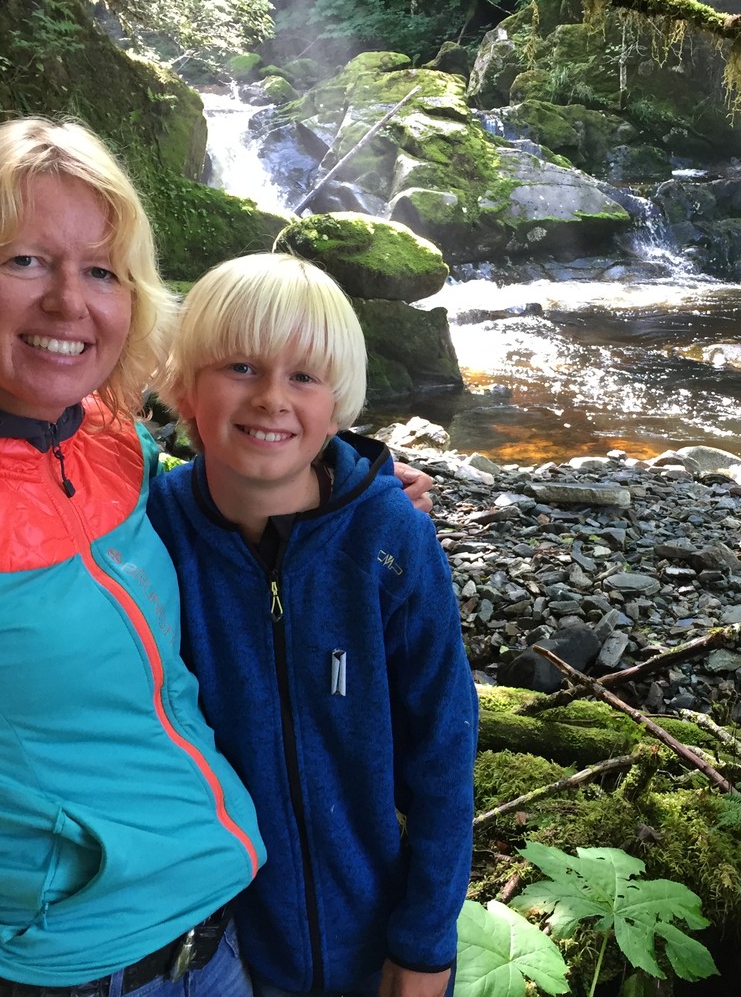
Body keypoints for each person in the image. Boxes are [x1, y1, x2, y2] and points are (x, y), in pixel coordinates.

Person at [0, 118, 430, 997]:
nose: (71, 303)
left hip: (222, 951)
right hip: (59, 977)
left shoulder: (105, 444)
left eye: (101, 272)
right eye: (26, 260)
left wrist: (343, 494)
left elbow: (221, 504)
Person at [148, 253, 477, 997]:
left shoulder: (388, 539)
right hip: (217, 954)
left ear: (339, 403)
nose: (271, 399)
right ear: (184, 388)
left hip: (376, 943)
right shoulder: (150, 534)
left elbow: (443, 750)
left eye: (304, 377)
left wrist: (426, 944)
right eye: (239, 367)